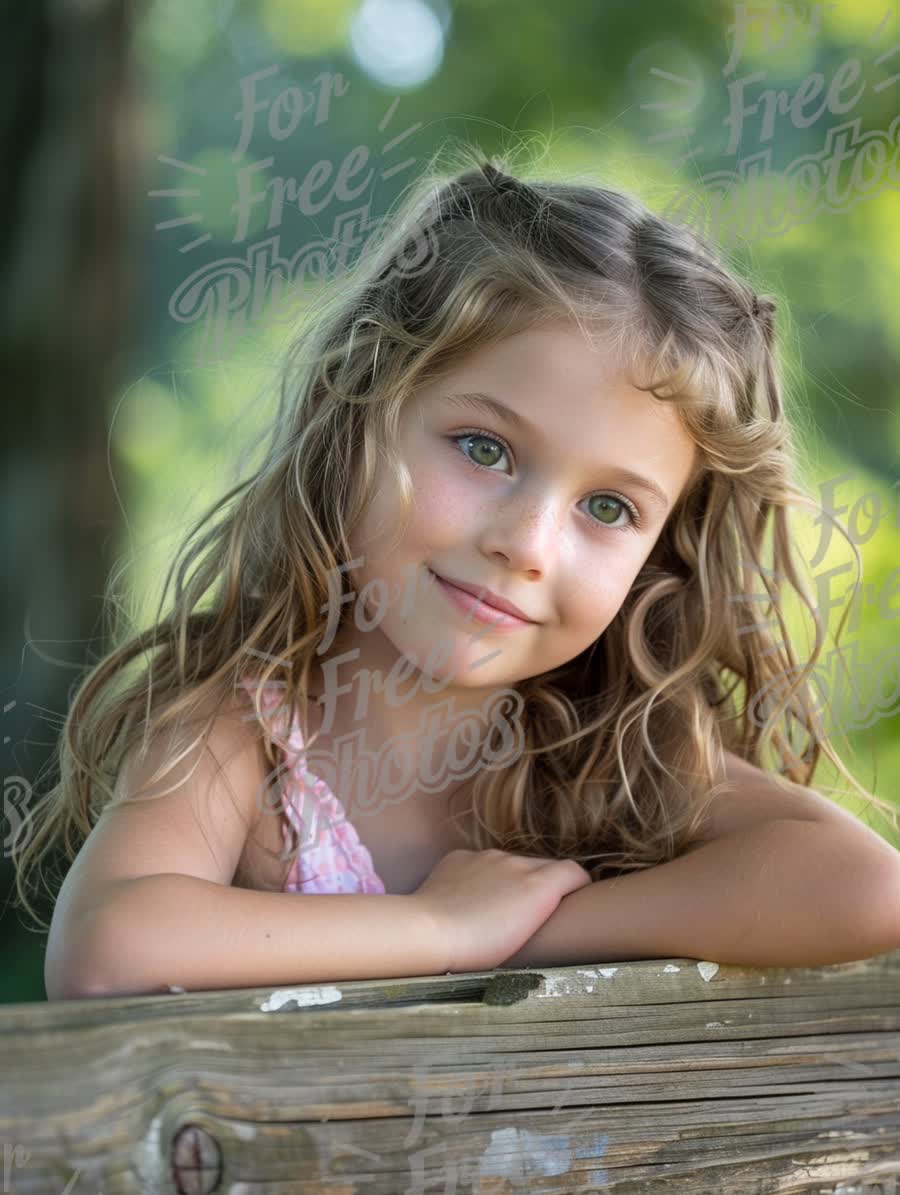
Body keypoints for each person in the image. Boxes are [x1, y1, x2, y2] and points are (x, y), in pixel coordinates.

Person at [15, 150, 900, 1000]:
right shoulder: (247, 729)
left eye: (608, 508)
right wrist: (440, 930)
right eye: (486, 449)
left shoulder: (615, 754)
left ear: (659, 555)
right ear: (356, 411)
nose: (527, 543)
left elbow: (870, 888)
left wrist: (526, 931)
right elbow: (106, 950)